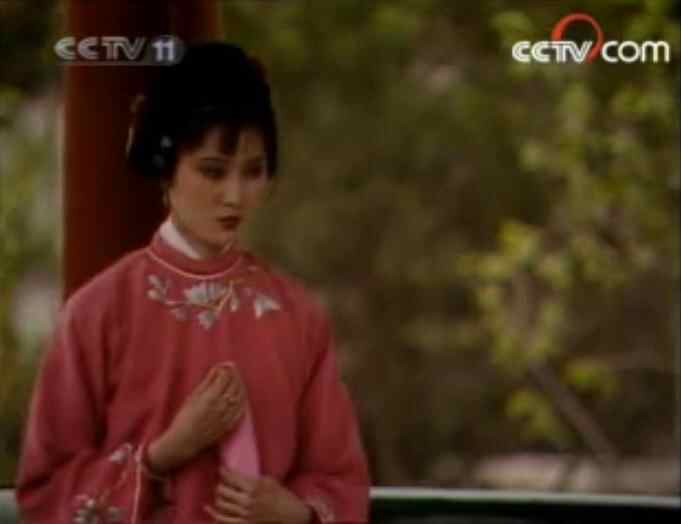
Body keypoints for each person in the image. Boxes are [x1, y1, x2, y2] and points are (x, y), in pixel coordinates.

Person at [16, 42, 370, 524]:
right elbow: (45, 491)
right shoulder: (97, 312)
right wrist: (162, 455)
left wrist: (296, 513)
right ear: (167, 168)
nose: (234, 195)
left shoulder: (298, 315)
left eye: (253, 172)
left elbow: (340, 479)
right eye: (212, 171)